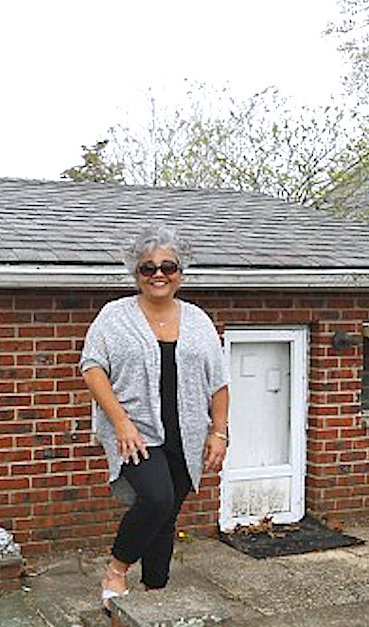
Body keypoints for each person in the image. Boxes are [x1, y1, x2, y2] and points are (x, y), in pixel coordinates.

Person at [79, 225, 230, 611]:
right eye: (148, 268)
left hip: (188, 432)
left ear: (181, 271)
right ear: (136, 273)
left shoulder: (198, 320)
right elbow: (92, 368)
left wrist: (219, 432)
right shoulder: (114, 316)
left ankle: (155, 593)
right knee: (157, 497)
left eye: (168, 266)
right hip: (136, 432)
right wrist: (121, 423)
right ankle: (116, 569)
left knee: (167, 513)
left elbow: (219, 383)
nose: (158, 274)